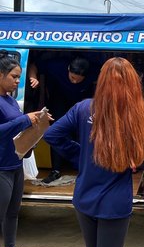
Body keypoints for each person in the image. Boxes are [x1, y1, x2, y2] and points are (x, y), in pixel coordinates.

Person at [43, 57, 144, 247]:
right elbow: (143, 160)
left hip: (84, 197)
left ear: (101, 81)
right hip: (114, 203)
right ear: (132, 83)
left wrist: (81, 156)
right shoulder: (135, 115)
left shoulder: (83, 108)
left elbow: (52, 135)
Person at [0, 52, 51, 247]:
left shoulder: (10, 99)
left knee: (13, 213)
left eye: (20, 77)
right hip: (0, 167)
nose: (17, 81)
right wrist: (23, 120)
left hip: (14, 163)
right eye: (13, 76)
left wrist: (37, 123)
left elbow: (15, 130)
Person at [28, 56, 99, 184]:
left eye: (79, 80)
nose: (75, 82)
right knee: (56, 131)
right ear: (68, 69)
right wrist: (33, 77)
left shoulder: (94, 71)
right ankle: (56, 170)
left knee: (86, 132)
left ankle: (84, 168)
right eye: (72, 78)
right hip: (59, 100)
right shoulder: (56, 65)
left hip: (82, 102)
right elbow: (34, 65)